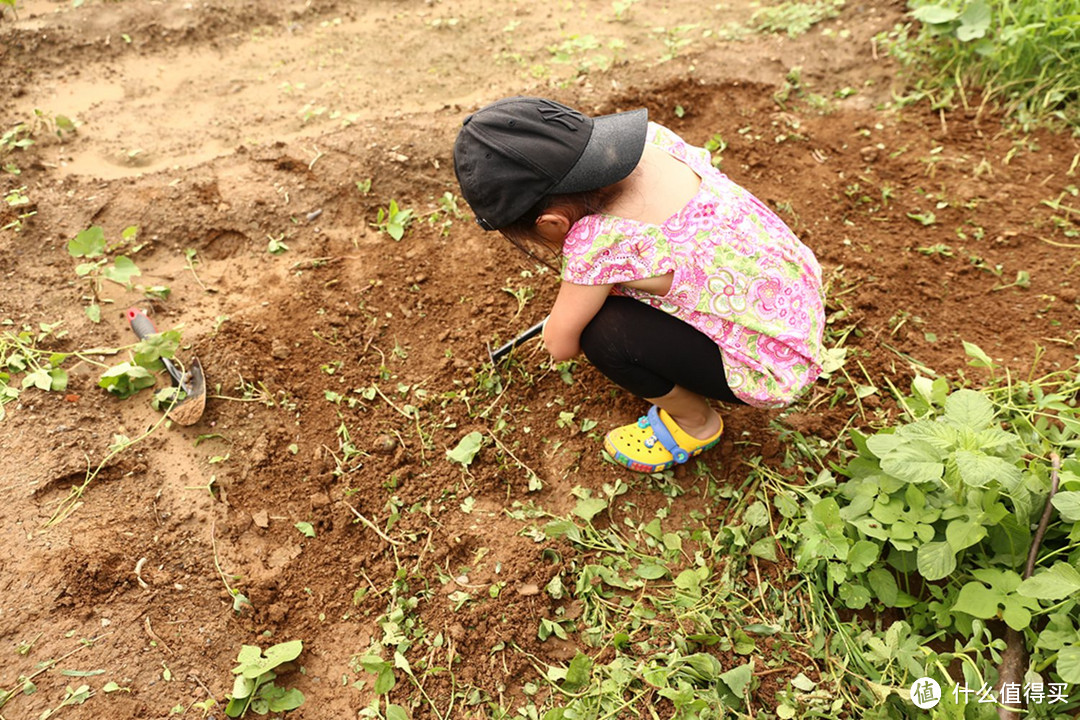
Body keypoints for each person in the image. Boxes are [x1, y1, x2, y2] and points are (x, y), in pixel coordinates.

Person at [453, 96, 825, 473]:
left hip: (774, 365)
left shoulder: (597, 241)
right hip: (793, 293)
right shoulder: (655, 141)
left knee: (604, 333)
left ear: (551, 224)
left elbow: (560, 345)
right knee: (623, 290)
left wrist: (561, 318)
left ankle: (696, 423)